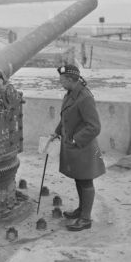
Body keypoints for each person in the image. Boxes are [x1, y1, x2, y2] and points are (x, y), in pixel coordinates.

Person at [50, 64, 105, 231]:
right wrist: (57, 132)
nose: (60, 83)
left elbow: (94, 126)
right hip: (74, 147)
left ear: (70, 80)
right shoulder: (71, 93)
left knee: (85, 181)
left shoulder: (85, 97)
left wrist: (75, 140)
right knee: (79, 179)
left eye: (62, 80)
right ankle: (82, 210)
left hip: (83, 148)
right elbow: (66, 116)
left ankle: (86, 219)